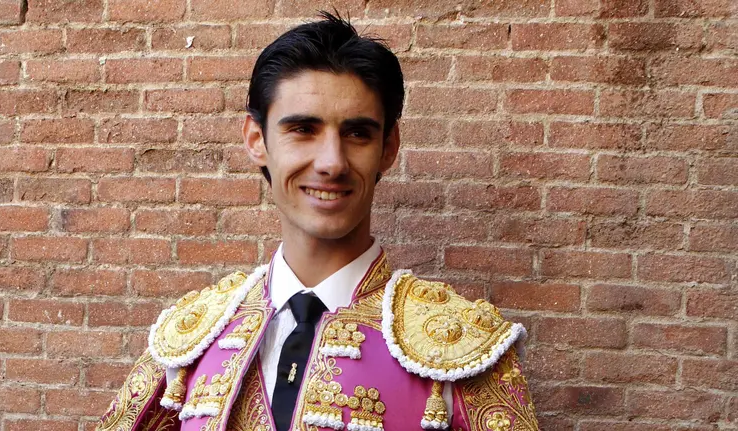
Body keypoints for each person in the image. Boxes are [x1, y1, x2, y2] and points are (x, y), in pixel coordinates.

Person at [97, 12, 538, 431]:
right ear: (256, 140)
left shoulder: (465, 350)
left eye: (357, 133)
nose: (332, 163)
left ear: (388, 147)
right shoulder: (192, 338)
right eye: (303, 129)